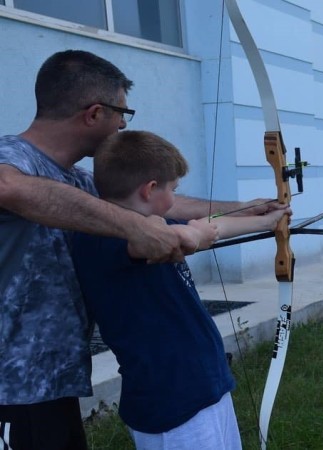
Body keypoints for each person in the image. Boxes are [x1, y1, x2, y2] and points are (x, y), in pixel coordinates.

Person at [0, 50, 283, 450]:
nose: (123, 125)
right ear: (94, 113)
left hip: (51, 378)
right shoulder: (12, 158)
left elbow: (157, 204)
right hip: (10, 385)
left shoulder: (80, 181)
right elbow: (8, 188)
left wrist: (241, 209)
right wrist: (135, 226)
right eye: (122, 113)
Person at [71, 130, 290, 449]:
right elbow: (184, 237)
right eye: (173, 189)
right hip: (171, 402)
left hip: (203, 387)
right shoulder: (103, 237)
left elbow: (213, 227)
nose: (175, 198)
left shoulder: (151, 224)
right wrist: (196, 233)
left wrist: (267, 219)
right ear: (150, 190)